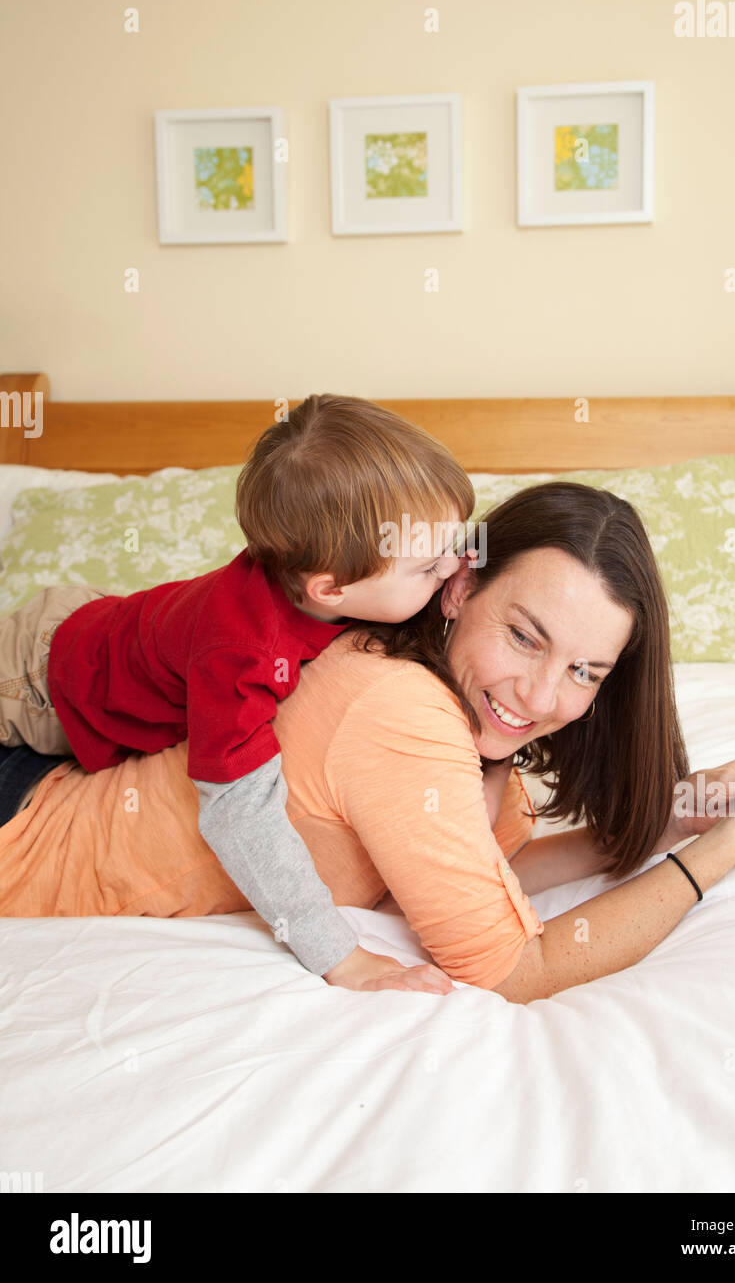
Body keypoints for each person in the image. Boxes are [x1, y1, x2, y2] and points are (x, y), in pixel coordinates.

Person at [1, 481, 735, 1001]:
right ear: (459, 587)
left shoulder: (463, 727)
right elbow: (510, 970)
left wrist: (686, 814)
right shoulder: (401, 711)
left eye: (586, 672)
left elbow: (447, 875)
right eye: (524, 637)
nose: (539, 696)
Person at [0, 393, 479, 995]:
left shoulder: (320, 573)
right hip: (34, 680)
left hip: (100, 620)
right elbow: (238, 816)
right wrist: (340, 958)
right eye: (430, 568)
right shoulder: (242, 656)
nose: (456, 568)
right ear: (329, 588)